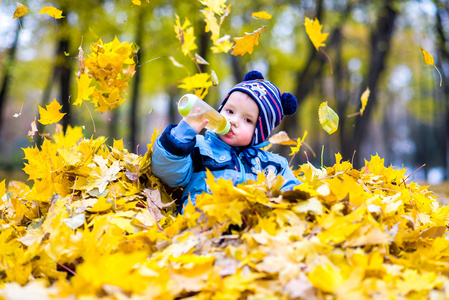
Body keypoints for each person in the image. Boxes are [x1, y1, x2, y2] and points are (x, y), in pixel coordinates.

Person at [151, 70, 301, 213]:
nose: (233, 121)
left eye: (247, 120)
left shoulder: (274, 165)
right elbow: (167, 174)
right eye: (230, 111)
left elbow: (295, 196)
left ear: (260, 133)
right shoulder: (198, 148)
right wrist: (181, 137)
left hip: (250, 231)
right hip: (199, 227)